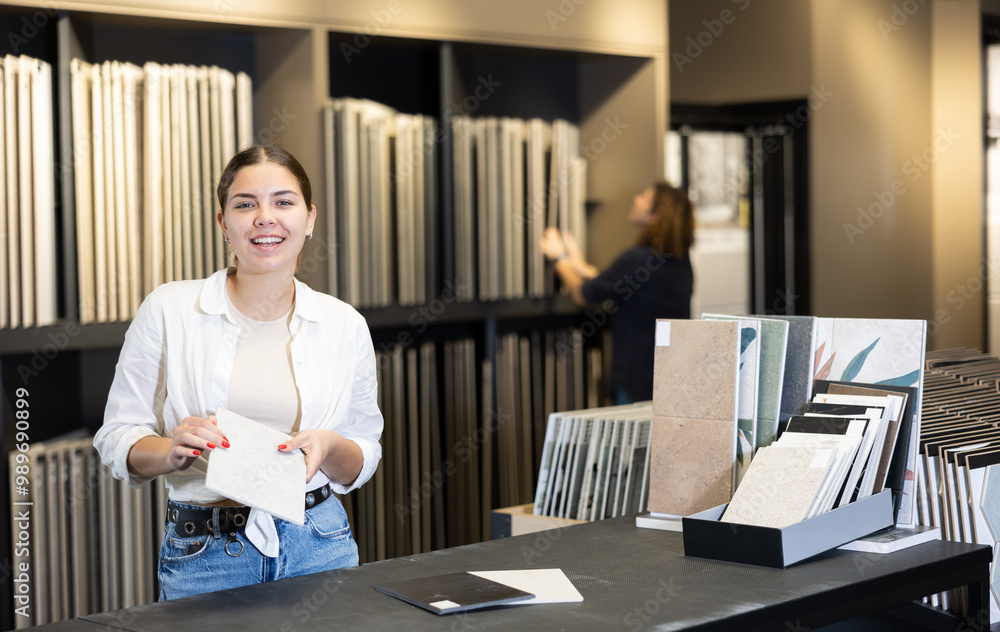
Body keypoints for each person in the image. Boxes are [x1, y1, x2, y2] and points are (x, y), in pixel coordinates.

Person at [94, 144, 383, 600]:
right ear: (223, 223)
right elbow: (116, 437)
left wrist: (328, 445)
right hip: (205, 551)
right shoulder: (170, 308)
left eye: (283, 202)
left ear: (309, 220)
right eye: (245, 204)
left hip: (320, 544)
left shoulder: (344, 323)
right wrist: (171, 451)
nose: (264, 217)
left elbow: (365, 451)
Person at [540, 182, 694, 404]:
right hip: (670, 377)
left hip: (636, 379)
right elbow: (621, 284)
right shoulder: (679, 261)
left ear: (655, 216)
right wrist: (581, 266)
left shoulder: (638, 258)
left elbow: (583, 294)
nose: (636, 200)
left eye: (644, 198)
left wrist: (559, 259)